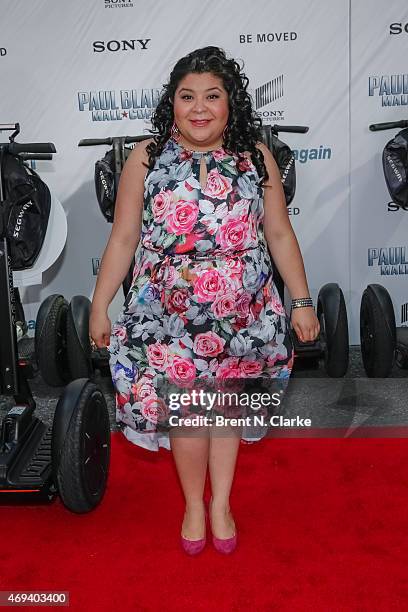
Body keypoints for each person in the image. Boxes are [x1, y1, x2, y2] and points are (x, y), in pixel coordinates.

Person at [89, 46, 320, 555]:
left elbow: (279, 234)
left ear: (230, 103)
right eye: (187, 96)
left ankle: (222, 504)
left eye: (212, 96)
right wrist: (100, 303)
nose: (199, 107)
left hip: (245, 314)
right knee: (189, 416)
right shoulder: (146, 158)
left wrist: (301, 300)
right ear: (171, 103)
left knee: (224, 413)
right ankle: (195, 503)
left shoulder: (256, 157)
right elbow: (124, 238)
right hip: (166, 318)